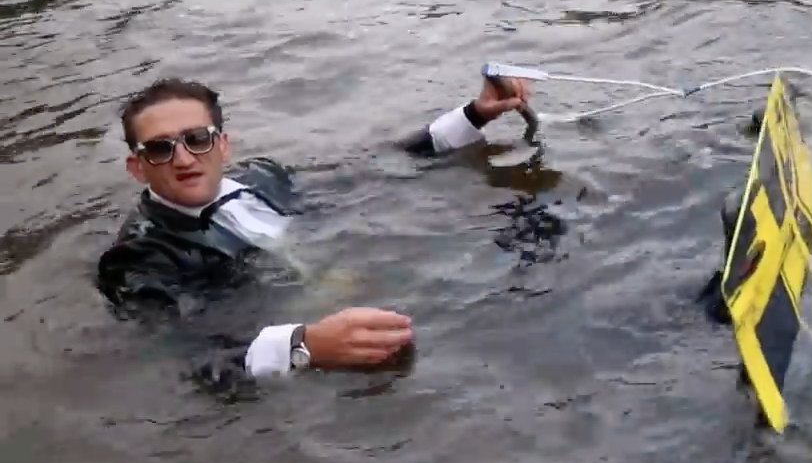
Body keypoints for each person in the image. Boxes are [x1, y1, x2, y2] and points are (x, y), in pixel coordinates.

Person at [97, 75, 532, 391]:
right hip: (289, 332)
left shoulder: (264, 177)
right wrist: (304, 346)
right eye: (159, 148)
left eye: (196, 139)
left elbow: (370, 171)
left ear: (222, 145)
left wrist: (474, 115)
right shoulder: (138, 257)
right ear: (137, 167)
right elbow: (190, 354)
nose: (183, 158)